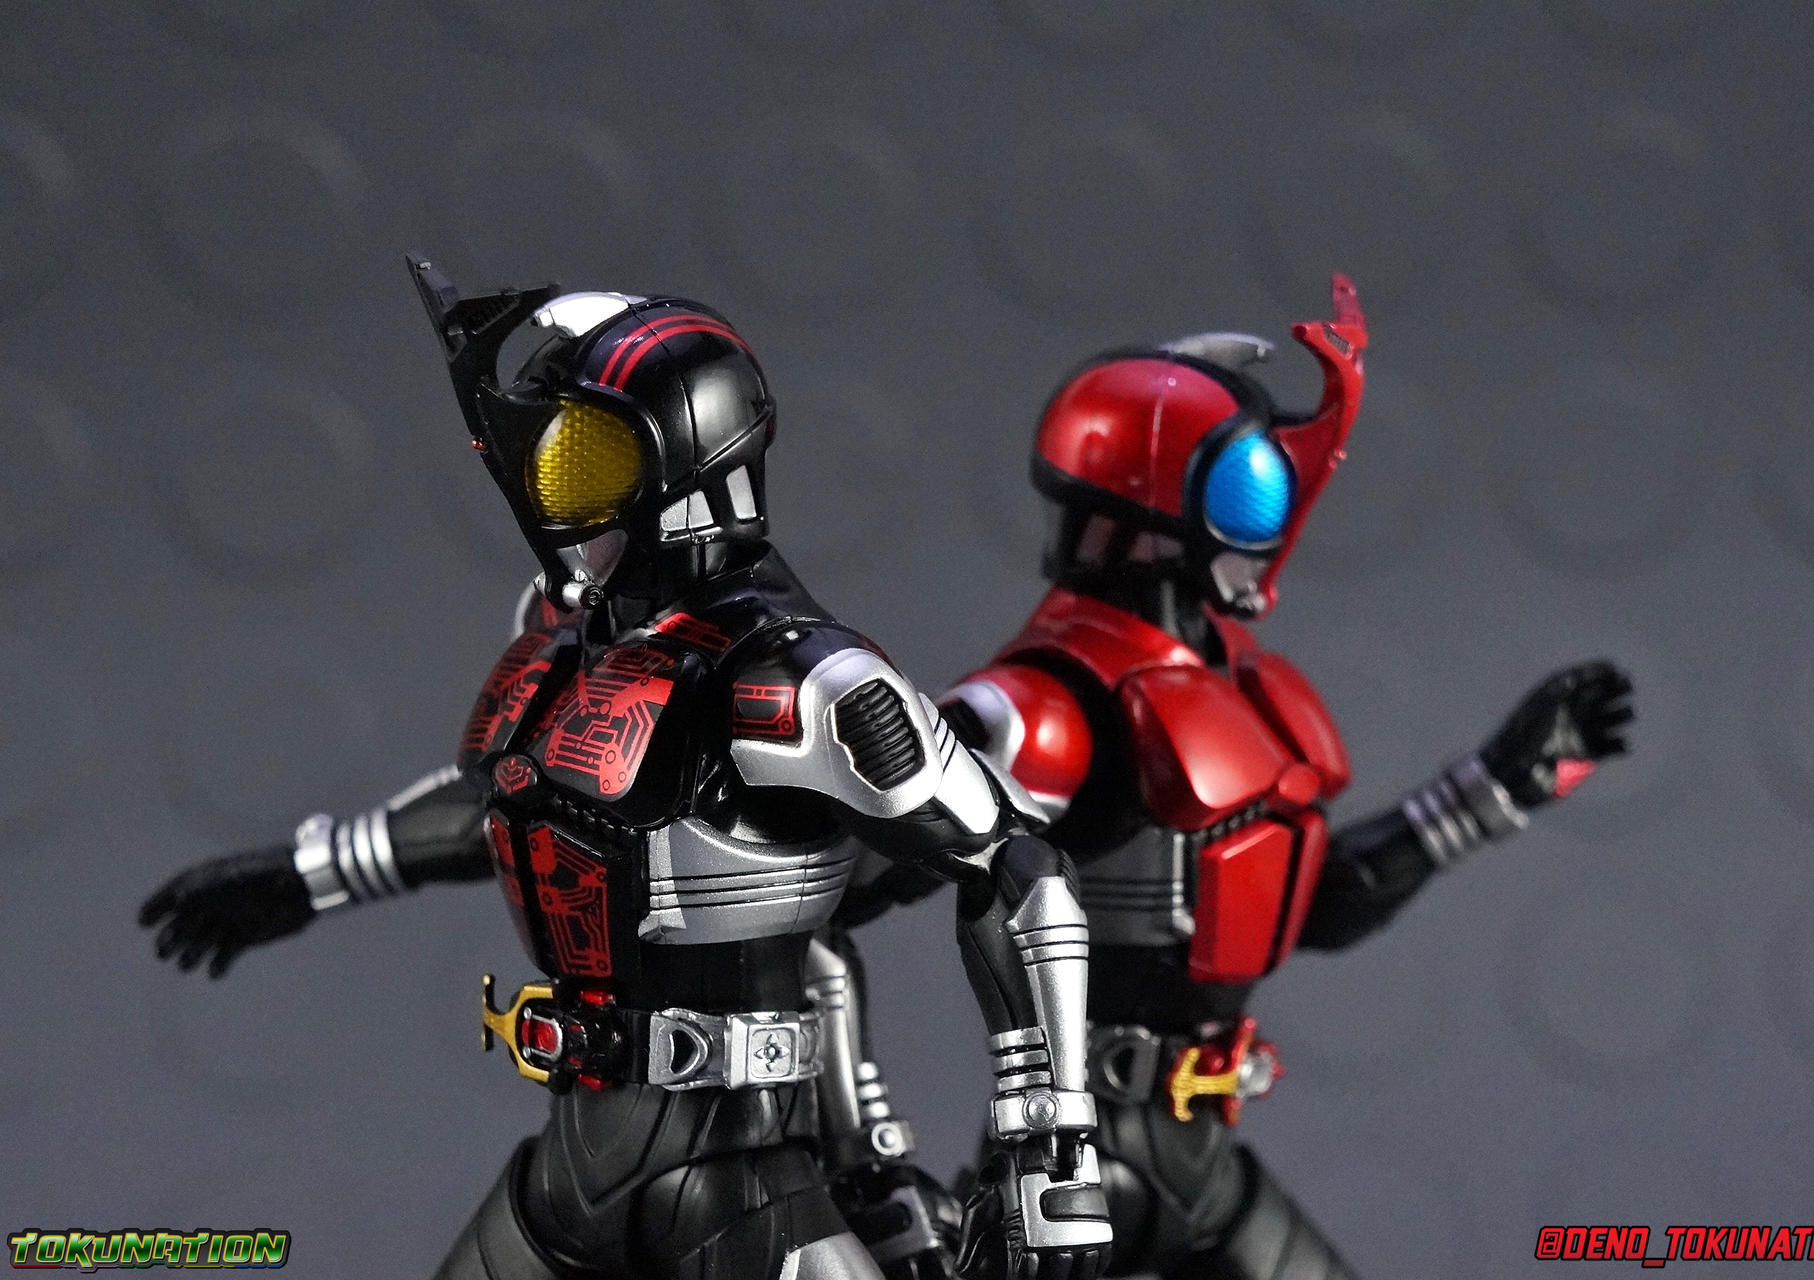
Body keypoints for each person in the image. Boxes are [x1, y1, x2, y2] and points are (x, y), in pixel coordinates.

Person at [139, 261, 1110, 1280]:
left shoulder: (803, 675)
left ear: (688, 463)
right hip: (570, 1179)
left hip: (743, 1187)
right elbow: (503, 809)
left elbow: (1015, 865)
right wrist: (310, 872)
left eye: (585, 454)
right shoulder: (563, 643)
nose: (550, 484)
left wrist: (1047, 1141)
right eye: (549, 450)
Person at [925, 277, 1634, 1279]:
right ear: (1153, 504)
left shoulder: (1233, 687)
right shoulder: (1043, 708)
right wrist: (854, 1137)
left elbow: (1309, 903)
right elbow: (821, 897)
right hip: (1065, 1169)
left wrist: (1496, 787)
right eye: (1251, 485)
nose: (1277, 513)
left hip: (1201, 1158)